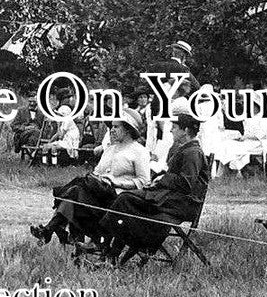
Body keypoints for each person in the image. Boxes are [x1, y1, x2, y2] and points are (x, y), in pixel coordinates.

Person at [101, 99, 209, 266]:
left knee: (125, 199)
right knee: (126, 200)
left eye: (175, 127)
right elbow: (177, 178)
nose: (171, 129)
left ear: (186, 130)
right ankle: (111, 255)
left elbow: (186, 183)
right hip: (170, 198)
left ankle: (109, 250)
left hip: (181, 205)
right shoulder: (185, 149)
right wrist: (160, 178)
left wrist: (162, 179)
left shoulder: (193, 152)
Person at [29, 108, 152, 246]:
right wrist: (98, 178)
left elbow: (145, 182)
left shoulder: (139, 151)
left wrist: (116, 182)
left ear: (128, 129)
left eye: (116, 127)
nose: (111, 130)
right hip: (98, 193)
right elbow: (97, 171)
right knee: (76, 191)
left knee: (75, 190)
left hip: (117, 199)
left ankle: (50, 230)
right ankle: (56, 232)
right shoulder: (110, 149)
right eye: (111, 126)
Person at [33, 89, 81, 164]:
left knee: (53, 147)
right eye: (66, 98)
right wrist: (50, 141)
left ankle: (53, 163)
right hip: (64, 137)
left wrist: (58, 127)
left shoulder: (67, 120)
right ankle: (45, 163)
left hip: (70, 139)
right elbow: (58, 134)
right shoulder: (61, 116)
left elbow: (61, 135)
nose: (68, 100)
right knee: (47, 146)